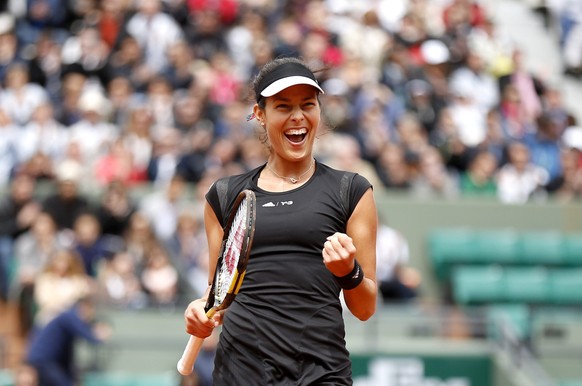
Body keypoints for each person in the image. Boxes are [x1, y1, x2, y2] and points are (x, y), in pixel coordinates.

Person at [183, 57, 378, 384]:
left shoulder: (352, 191)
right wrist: (201, 312)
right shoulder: (224, 195)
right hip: (242, 373)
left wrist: (348, 271)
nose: (298, 117)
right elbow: (219, 292)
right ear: (260, 114)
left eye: (308, 105)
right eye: (283, 106)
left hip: (321, 373)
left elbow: (364, 308)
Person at [24, 296, 112, 386]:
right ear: (84, 306)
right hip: (45, 360)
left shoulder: (68, 318)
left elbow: (67, 355)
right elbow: (86, 334)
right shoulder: (69, 316)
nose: (90, 315)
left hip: (46, 361)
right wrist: (98, 335)